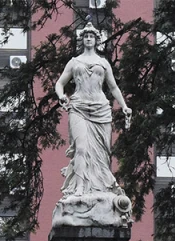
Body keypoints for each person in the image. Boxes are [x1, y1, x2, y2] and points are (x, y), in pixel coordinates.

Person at [55, 20, 132, 197]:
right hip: (78, 107)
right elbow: (59, 83)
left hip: (101, 109)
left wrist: (124, 106)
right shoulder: (74, 62)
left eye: (91, 36)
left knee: (102, 153)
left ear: (97, 40)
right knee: (81, 148)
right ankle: (80, 186)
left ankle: (100, 186)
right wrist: (61, 96)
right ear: (82, 40)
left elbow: (113, 88)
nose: (88, 39)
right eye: (86, 36)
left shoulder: (103, 63)